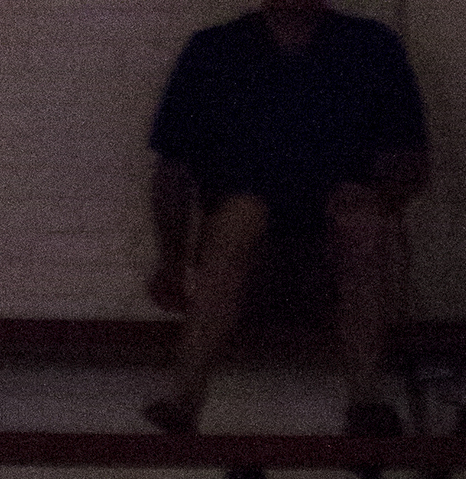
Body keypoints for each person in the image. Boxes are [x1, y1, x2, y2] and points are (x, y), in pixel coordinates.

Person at [144, 1, 429, 438]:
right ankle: (185, 397)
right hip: (240, 248)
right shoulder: (215, 51)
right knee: (244, 216)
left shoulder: (370, 47)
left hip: (333, 245)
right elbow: (172, 170)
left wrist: (375, 197)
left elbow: (411, 160)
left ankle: (366, 399)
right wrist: (170, 261)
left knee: (363, 225)